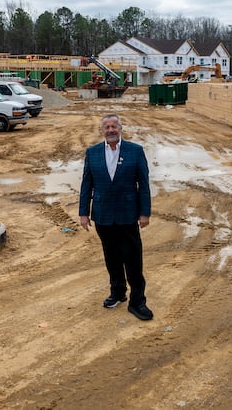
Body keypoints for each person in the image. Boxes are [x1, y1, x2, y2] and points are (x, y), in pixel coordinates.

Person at [79, 113, 153, 321]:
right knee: (111, 258)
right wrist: (83, 212)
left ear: (121, 128)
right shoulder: (92, 153)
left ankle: (138, 302)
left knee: (133, 259)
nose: (110, 130)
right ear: (102, 131)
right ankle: (118, 293)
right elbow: (87, 184)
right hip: (103, 215)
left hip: (128, 215)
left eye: (114, 126)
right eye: (107, 127)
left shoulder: (135, 151)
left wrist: (144, 212)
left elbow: (144, 184)